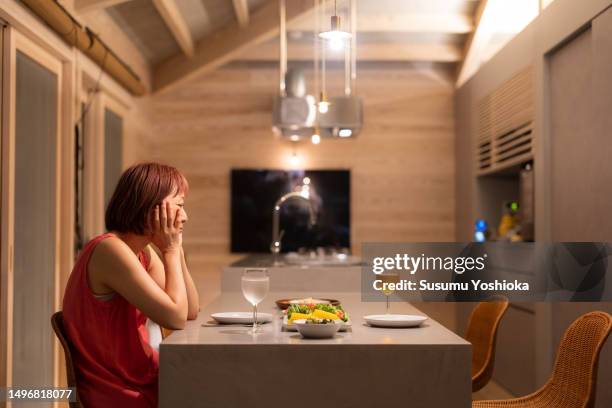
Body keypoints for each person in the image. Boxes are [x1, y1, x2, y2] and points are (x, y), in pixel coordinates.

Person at [62, 162, 200, 408]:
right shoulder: (109, 249)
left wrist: (175, 248)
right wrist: (169, 249)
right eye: (179, 205)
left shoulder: (141, 251)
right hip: (118, 391)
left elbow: (190, 310)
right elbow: (175, 318)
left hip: (142, 378)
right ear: (150, 206)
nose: (185, 216)